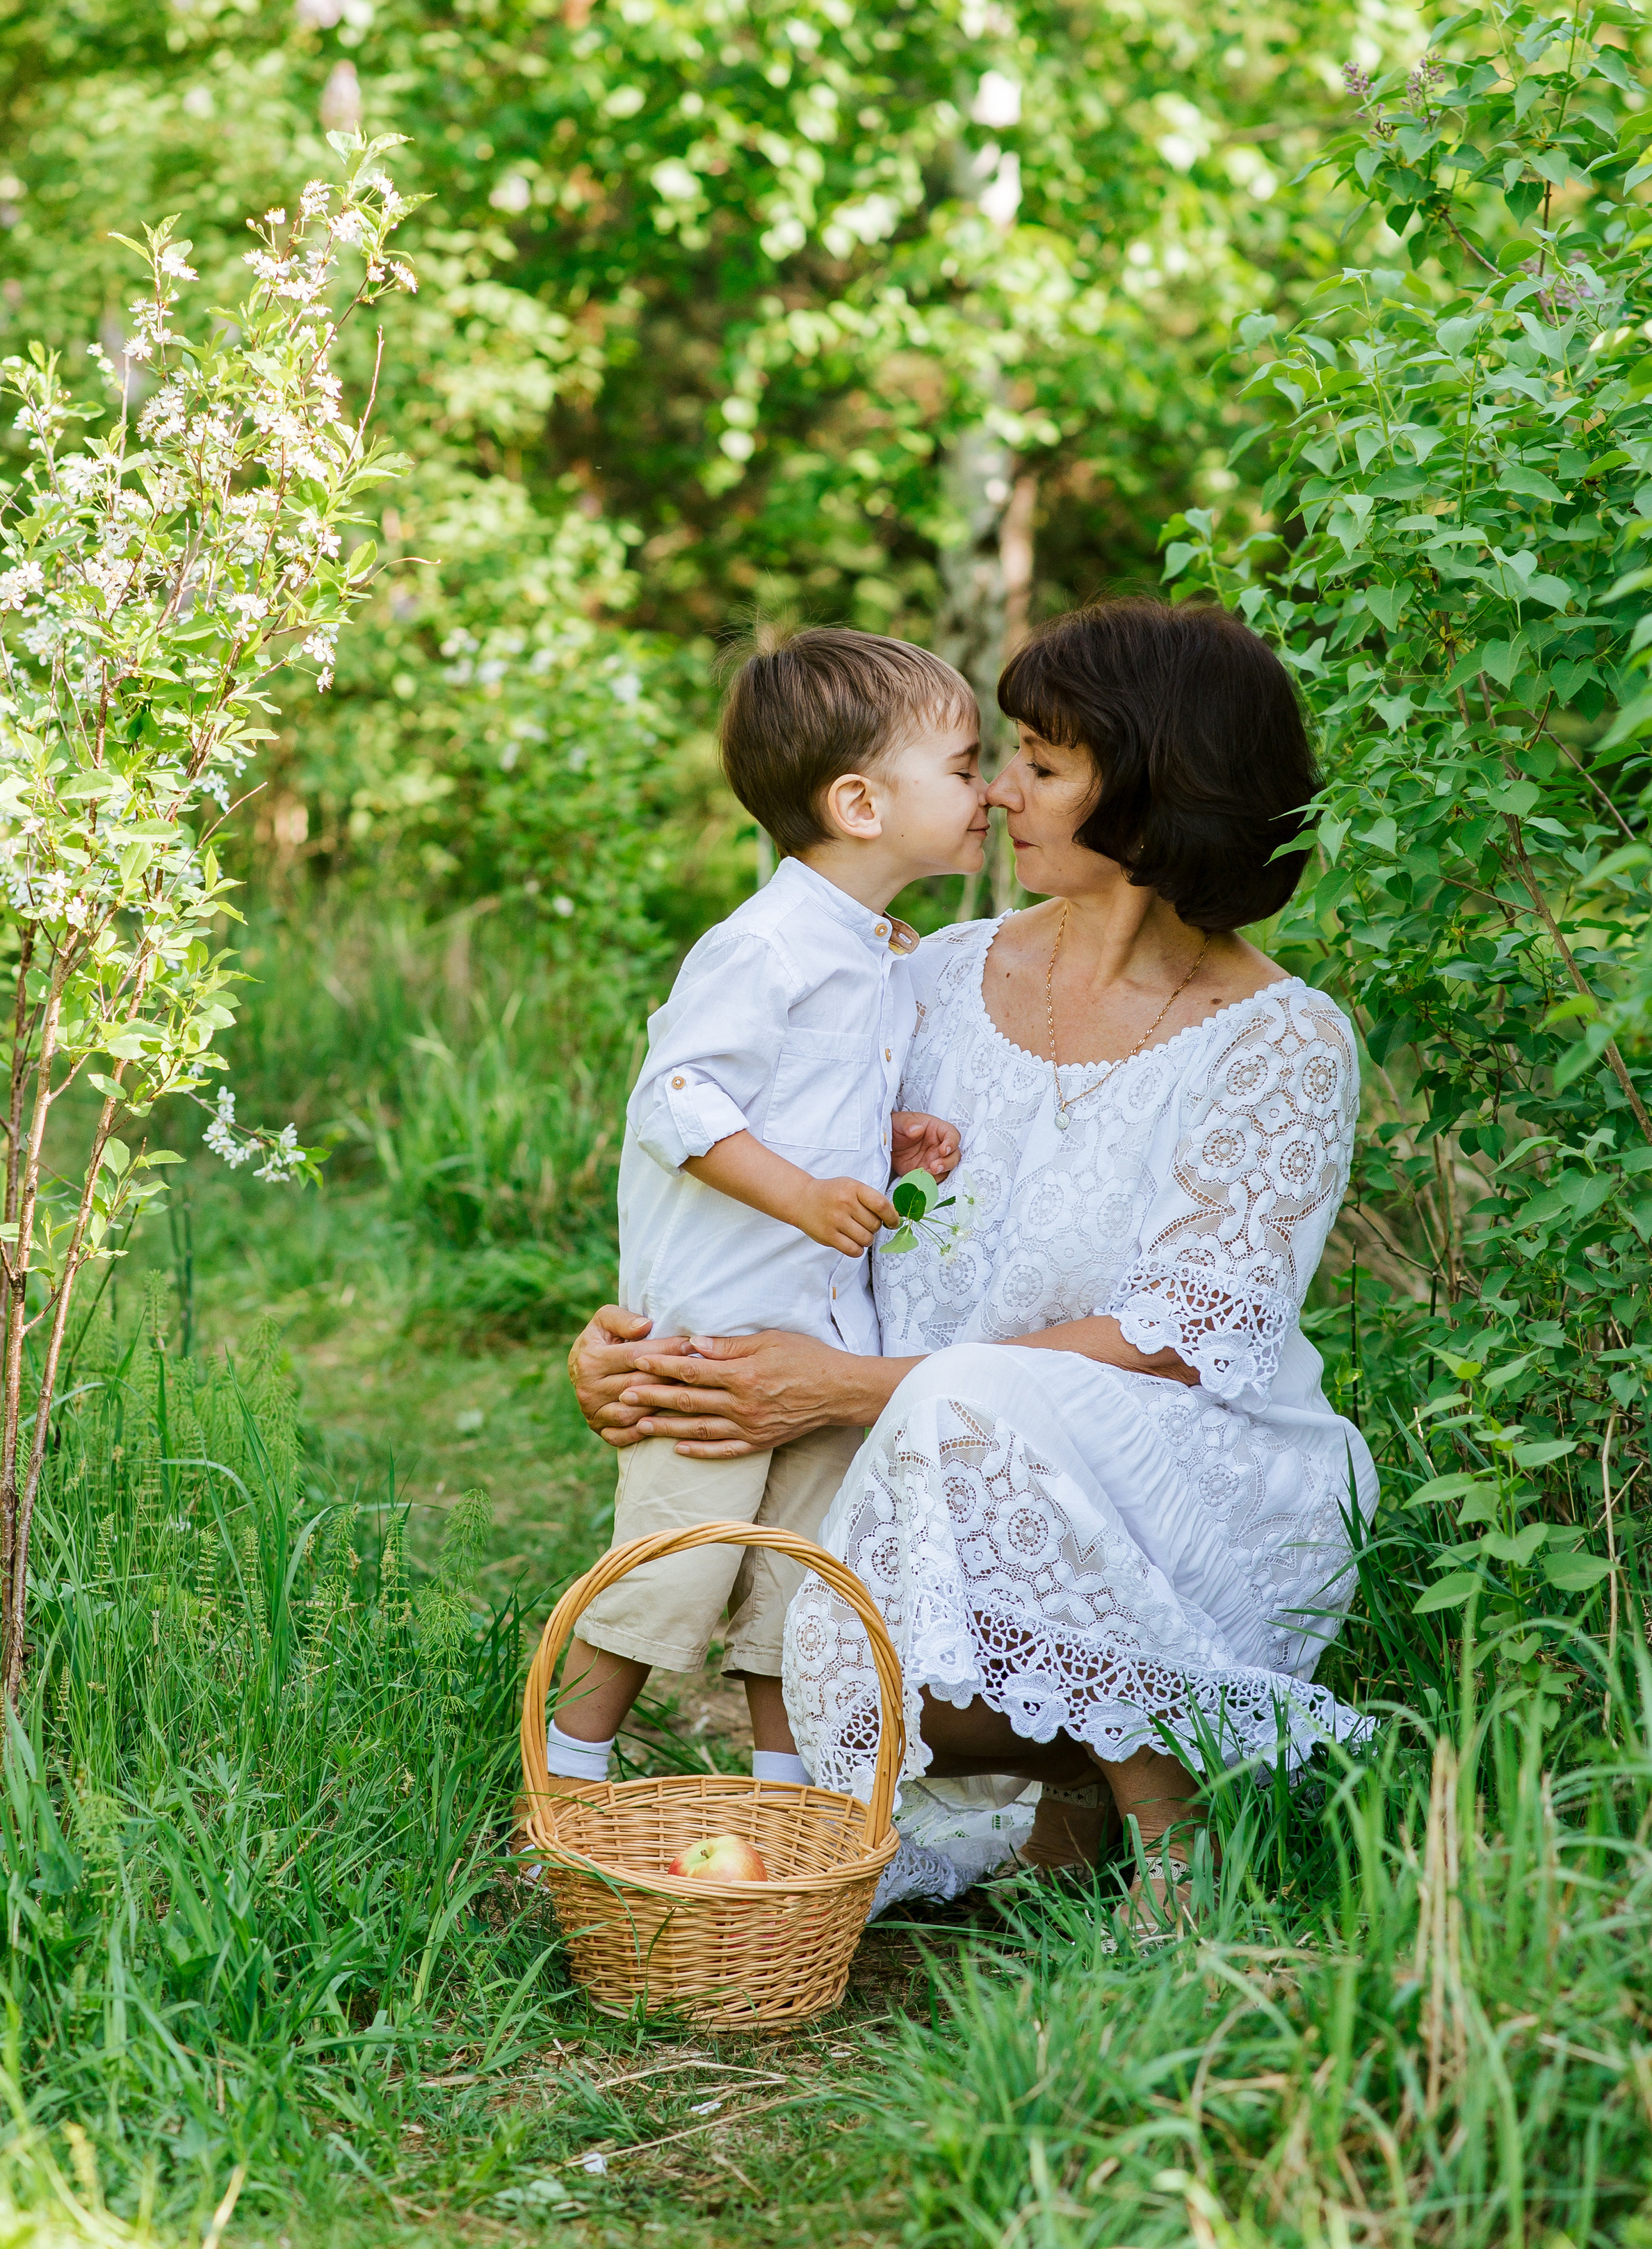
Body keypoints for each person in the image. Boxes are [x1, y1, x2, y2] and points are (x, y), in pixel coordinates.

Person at [567, 596, 1377, 1921]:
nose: (999, 794)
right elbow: (724, 1161)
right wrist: (642, 1341)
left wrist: (842, 1389)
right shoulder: (921, 979)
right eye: (999, 758)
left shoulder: (1283, 1042)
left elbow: (1184, 1336)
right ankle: (1046, 1801)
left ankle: (1168, 1840)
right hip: (906, 1494)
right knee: (827, 1603)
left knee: (973, 1397)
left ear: (1154, 794)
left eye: (1043, 766)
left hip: (1192, 1497)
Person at [535, 627, 986, 1821]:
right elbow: (677, 1100)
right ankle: (565, 1783)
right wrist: (803, 1193)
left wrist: (889, 1142)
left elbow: (802, 1104)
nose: (987, 790)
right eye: (965, 764)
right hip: (718, 1338)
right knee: (669, 1576)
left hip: (824, 1337)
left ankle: (787, 1813)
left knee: (802, 1587)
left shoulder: (883, 956)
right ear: (859, 803)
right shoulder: (765, 946)